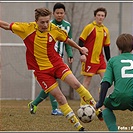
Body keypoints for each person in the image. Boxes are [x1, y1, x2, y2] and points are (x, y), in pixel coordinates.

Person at [0, 7, 102, 131]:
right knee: (60, 98)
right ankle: (79, 127)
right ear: (36, 21)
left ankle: (97, 110)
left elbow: (67, 40)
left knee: (76, 84)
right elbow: (6, 25)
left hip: (57, 64)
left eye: (47, 21)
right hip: (41, 72)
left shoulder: (54, 29)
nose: (45, 25)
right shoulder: (26, 28)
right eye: (42, 22)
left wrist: (80, 49)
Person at [28, 2, 73, 116]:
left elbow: (67, 41)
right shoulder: (48, 24)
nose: (59, 15)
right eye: (57, 13)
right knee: (52, 85)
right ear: (53, 14)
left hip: (59, 58)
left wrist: (70, 54)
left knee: (52, 85)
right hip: (48, 60)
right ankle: (54, 109)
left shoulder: (67, 25)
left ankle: (34, 103)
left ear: (64, 13)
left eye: (61, 13)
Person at [95, 33, 133, 131]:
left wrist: (100, 102)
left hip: (119, 96)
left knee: (104, 106)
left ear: (118, 48)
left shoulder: (113, 61)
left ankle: (114, 130)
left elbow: (105, 83)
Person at [78, 7, 111, 107]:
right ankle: (83, 104)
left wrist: (109, 61)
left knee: (106, 80)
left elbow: (106, 47)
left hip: (100, 60)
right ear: (95, 16)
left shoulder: (106, 30)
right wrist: (82, 54)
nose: (100, 17)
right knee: (87, 81)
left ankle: (101, 104)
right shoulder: (89, 27)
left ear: (104, 17)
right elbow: (81, 41)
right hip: (89, 59)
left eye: (102, 16)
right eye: (99, 15)